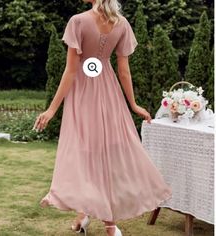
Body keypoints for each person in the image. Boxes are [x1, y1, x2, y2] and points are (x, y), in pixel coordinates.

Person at [33, 0, 173, 235]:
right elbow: (124, 70)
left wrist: (52, 109)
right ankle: (87, 215)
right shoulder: (122, 23)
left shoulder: (77, 21)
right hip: (109, 92)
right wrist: (132, 104)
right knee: (102, 153)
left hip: (83, 94)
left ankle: (106, 223)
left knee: (85, 153)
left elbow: (71, 69)